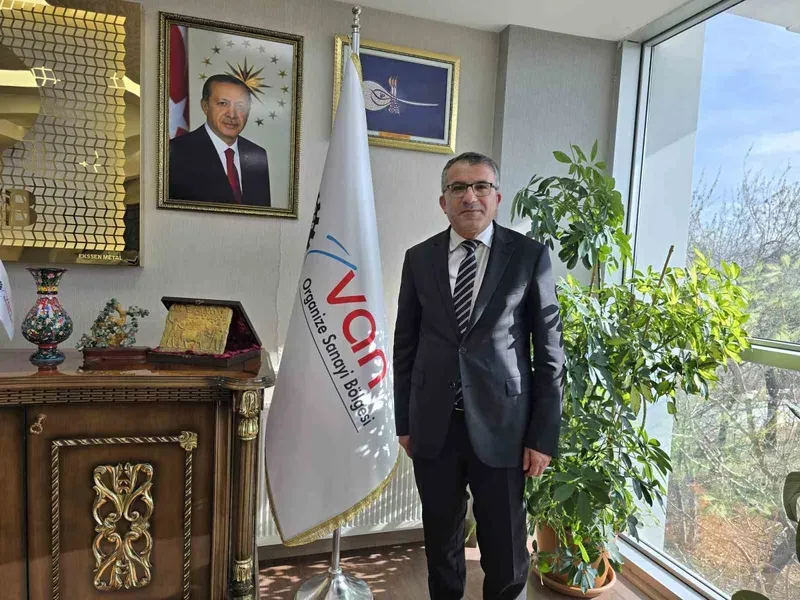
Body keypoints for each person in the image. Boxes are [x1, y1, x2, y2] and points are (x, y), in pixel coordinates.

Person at [393, 152, 565, 600]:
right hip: (434, 425)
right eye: (458, 188)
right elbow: (405, 346)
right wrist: (404, 422)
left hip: (505, 427)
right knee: (441, 545)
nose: (470, 196)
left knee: (506, 551)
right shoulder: (418, 259)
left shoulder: (529, 257)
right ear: (443, 201)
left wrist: (543, 435)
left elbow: (550, 353)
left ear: (497, 197)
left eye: (481, 186)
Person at [169, 74, 271, 206]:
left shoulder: (258, 155)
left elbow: (262, 213)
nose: (232, 115)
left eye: (240, 106)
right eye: (223, 104)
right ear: (205, 106)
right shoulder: (176, 152)